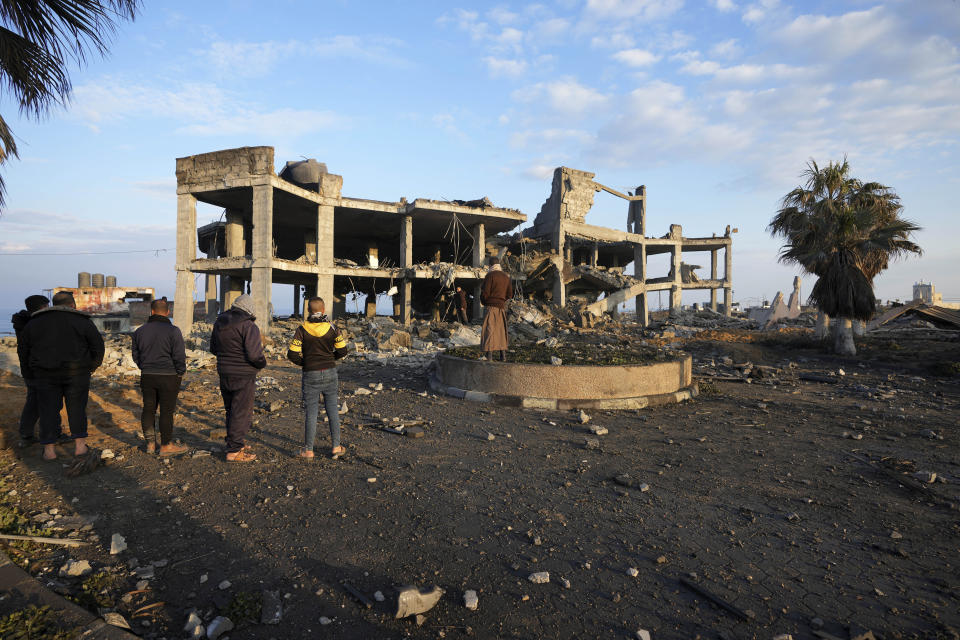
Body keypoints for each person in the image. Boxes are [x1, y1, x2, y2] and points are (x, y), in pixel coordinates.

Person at [20, 291, 104, 461]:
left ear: (54, 304)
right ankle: (80, 447)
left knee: (47, 410)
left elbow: (23, 351)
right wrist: (91, 367)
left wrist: (29, 373)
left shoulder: (34, 323)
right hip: (77, 374)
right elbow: (98, 347)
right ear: (72, 305)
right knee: (77, 409)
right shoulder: (82, 321)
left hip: (44, 374)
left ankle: (49, 451)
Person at [286, 297, 348, 459]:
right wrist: (329, 358)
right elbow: (342, 351)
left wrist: (306, 363)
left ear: (308, 310)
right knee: (333, 409)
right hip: (329, 372)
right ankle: (336, 447)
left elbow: (292, 354)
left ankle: (308, 450)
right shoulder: (333, 328)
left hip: (310, 374)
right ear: (324, 309)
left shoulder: (302, 329)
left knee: (311, 412)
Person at [210, 294, 266, 462]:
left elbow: (213, 348)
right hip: (243, 374)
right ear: (249, 308)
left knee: (231, 410)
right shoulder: (248, 326)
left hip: (224, 371)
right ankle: (234, 451)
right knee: (241, 411)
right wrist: (262, 364)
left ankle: (234, 442)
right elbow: (255, 355)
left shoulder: (219, 323)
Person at [131, 298, 188, 456]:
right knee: (166, 411)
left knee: (148, 408)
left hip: (148, 375)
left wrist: (144, 367)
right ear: (168, 313)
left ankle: (150, 444)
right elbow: (179, 355)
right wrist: (180, 372)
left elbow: (135, 354)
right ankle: (165, 446)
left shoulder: (139, 331)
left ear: (152, 311)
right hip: (169, 377)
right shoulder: (173, 331)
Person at [11, 295, 51, 444]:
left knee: (35, 401)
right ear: (41, 307)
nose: (49, 309)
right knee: (44, 402)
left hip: (29, 369)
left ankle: (27, 432)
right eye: (47, 306)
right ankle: (35, 433)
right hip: (37, 369)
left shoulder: (23, 323)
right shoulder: (34, 325)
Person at [480, 256, 513, 361]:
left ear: (490, 265)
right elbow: (510, 294)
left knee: (489, 330)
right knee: (501, 331)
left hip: (490, 307)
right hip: (501, 307)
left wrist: (484, 301)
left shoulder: (490, 276)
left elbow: (485, 293)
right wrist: (502, 301)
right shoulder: (506, 277)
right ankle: (503, 356)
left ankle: (489, 356)